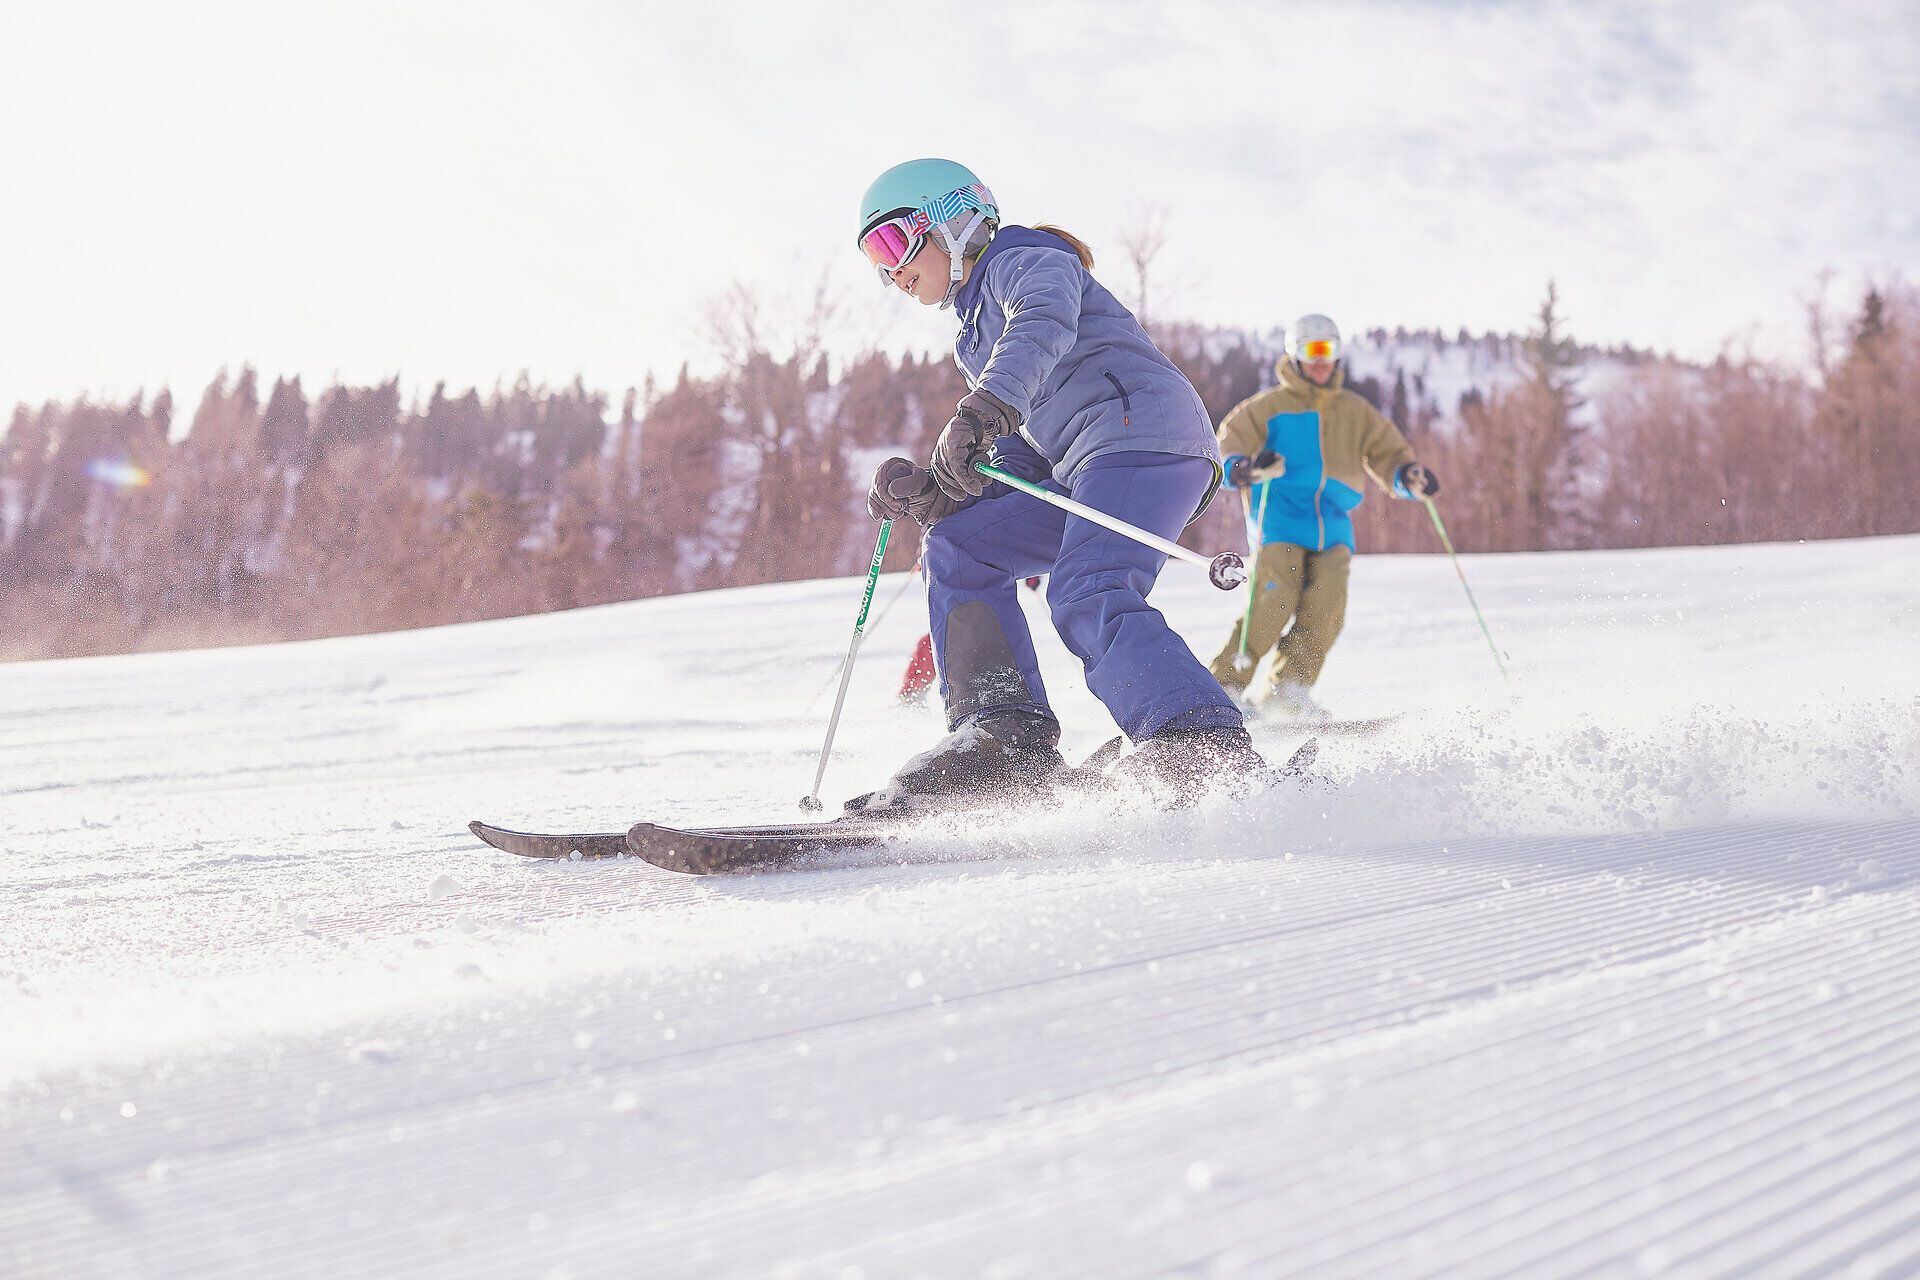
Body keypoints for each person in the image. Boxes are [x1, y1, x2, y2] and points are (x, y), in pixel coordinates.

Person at [858, 158, 1262, 811]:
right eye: (876, 260)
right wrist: (945, 490)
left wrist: (985, 406)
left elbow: (1043, 322)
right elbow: (1023, 448)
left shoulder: (1029, 260)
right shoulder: (974, 337)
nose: (891, 271)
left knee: (1085, 587)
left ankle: (1199, 744)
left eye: (894, 242)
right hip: (1080, 466)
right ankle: (1001, 733)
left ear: (954, 222)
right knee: (962, 545)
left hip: (1144, 436)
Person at [1208, 314, 1439, 717]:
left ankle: (1289, 691)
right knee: (1272, 603)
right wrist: (1243, 467)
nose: (1320, 360)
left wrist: (1407, 476)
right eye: (1310, 351)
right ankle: (1226, 686)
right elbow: (1229, 445)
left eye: (1327, 350)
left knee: (1328, 609)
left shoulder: (1354, 411)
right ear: (1294, 356)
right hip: (1279, 517)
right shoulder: (1267, 408)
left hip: (1333, 522)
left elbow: (1389, 454)